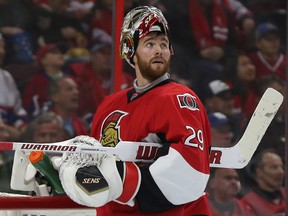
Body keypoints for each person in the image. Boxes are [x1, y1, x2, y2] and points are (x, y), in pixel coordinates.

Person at [56, 6, 212, 215]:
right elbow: (98, 173)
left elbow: (191, 170)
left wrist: (124, 179)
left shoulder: (179, 99)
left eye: (163, 44)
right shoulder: (110, 104)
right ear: (130, 51)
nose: (159, 50)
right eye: (150, 44)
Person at [68, 29, 134, 118]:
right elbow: (81, 112)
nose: (107, 57)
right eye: (103, 53)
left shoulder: (127, 79)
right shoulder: (82, 80)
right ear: (92, 56)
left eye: (110, 53)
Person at [22, 43, 67, 117]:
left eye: (60, 52)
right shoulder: (35, 82)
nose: (60, 55)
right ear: (43, 60)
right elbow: (29, 107)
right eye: (54, 53)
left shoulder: (72, 80)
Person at [241, 150, 285, 215]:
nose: (281, 172)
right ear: (259, 172)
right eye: (274, 167)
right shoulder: (247, 203)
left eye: (281, 167)